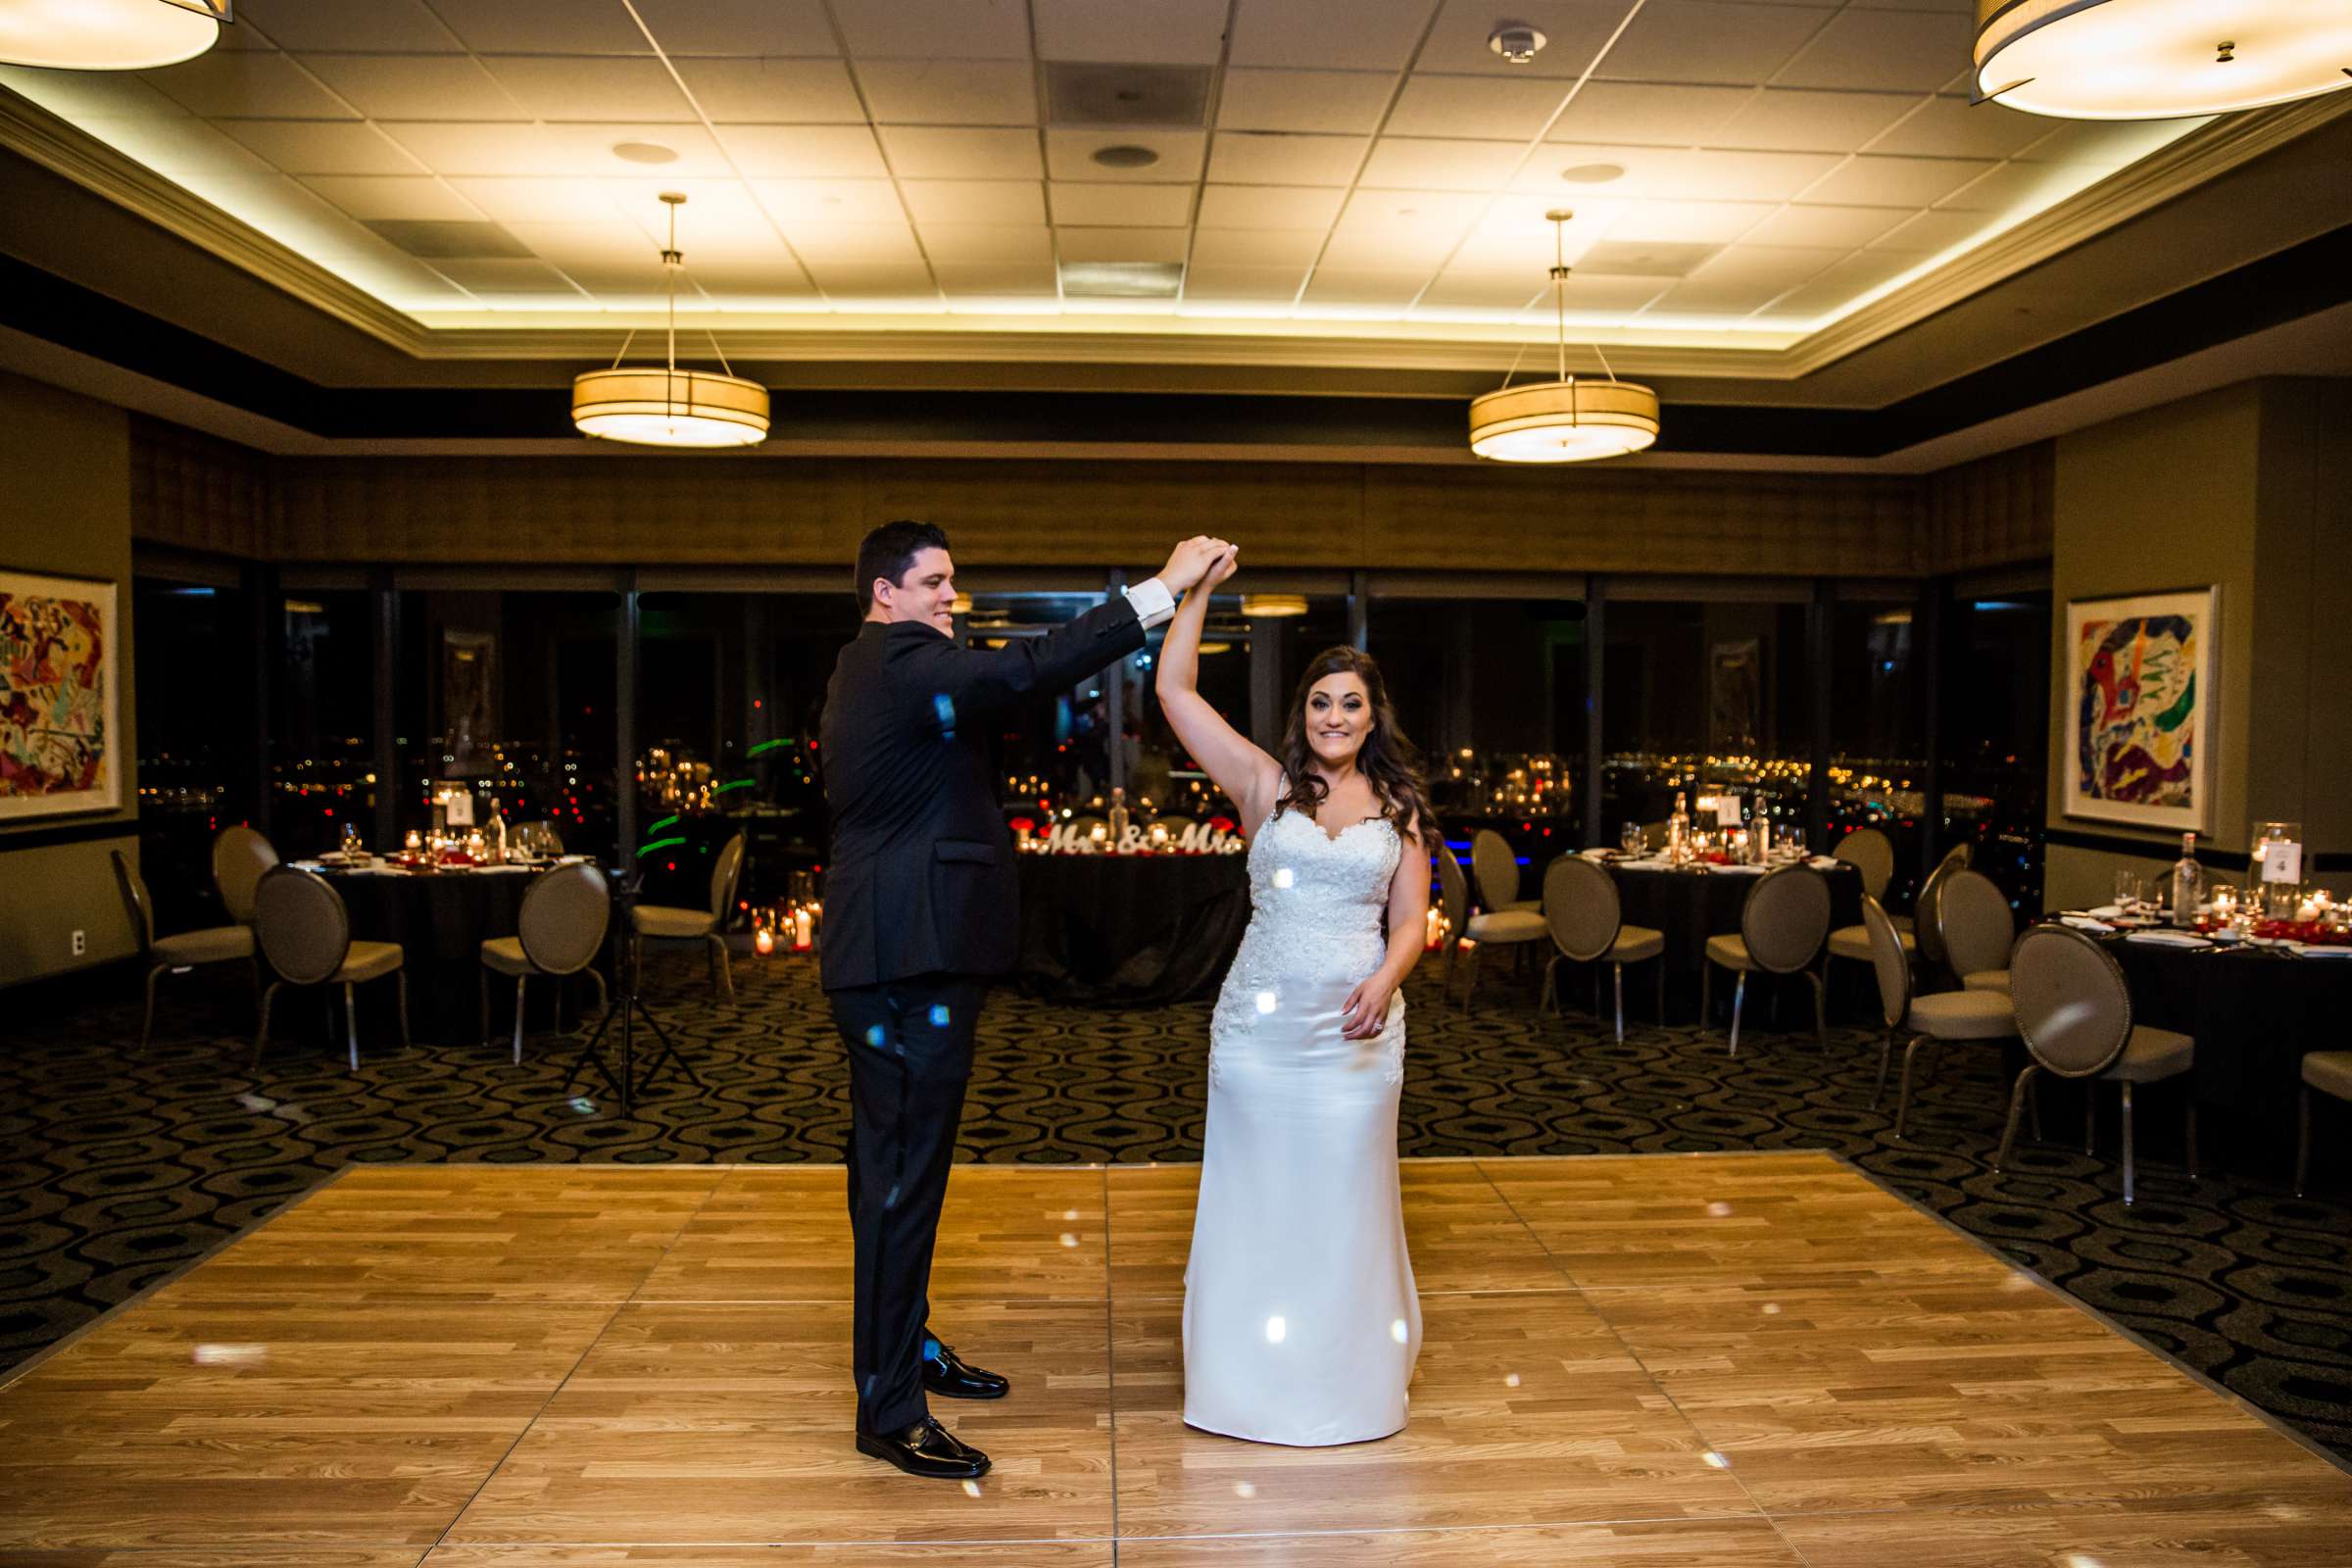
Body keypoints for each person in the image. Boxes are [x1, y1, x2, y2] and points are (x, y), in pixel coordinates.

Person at [819, 521, 1232, 1481]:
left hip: (900, 950)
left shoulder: (878, 668)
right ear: (884, 593)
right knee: (896, 1179)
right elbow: (1023, 673)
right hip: (901, 957)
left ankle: (904, 1347)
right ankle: (886, 1408)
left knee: (893, 1171)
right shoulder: (899, 658)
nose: (947, 598)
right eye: (934, 582)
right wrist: (1160, 587)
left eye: (950, 583)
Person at [1153, 544, 1433, 1446]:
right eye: (1321, 700)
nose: (1335, 715)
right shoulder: (1264, 787)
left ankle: (1342, 1382)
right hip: (1260, 1035)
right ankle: (1247, 1380)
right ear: (1302, 712)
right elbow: (1175, 694)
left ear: (1373, 715)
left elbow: (1410, 924)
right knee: (1260, 1199)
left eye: (1351, 702)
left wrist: (1386, 982)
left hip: (1354, 1039)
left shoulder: (1400, 809)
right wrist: (1194, 593)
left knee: (1342, 1204)